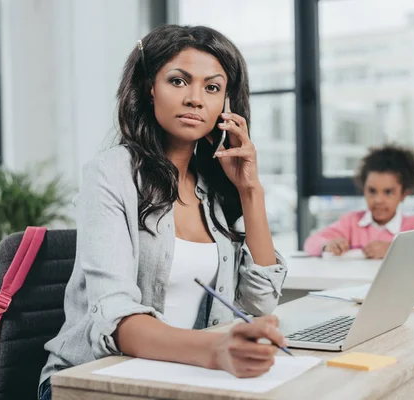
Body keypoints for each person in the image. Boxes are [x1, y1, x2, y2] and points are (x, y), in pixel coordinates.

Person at [38, 25, 288, 400]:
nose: (195, 99)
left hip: (179, 376)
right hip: (95, 380)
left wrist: (250, 191)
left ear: (227, 105)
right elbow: (117, 319)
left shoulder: (214, 188)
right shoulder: (111, 173)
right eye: (178, 81)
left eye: (212, 87)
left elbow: (259, 303)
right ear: (148, 88)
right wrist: (216, 352)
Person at [304, 144, 414, 259]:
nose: (378, 200)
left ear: (403, 194)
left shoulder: (413, 225)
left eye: (388, 192)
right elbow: (310, 243)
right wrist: (327, 245)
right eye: (372, 191)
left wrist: (392, 250)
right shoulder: (351, 223)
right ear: (364, 189)